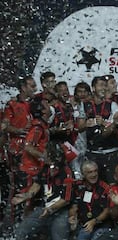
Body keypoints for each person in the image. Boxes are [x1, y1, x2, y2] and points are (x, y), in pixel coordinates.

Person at [13, 141, 73, 240]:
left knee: (59, 236)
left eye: (44, 153)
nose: (42, 155)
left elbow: (65, 200)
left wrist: (50, 210)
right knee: (21, 231)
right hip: (44, 208)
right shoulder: (46, 169)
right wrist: (27, 195)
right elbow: (37, 184)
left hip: (60, 211)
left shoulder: (66, 172)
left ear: (51, 156)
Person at [2, 76, 37, 224]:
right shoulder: (12, 104)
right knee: (18, 187)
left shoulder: (35, 104)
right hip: (17, 152)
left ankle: (29, 223)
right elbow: (4, 126)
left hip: (33, 151)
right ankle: (14, 225)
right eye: (32, 86)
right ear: (23, 87)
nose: (34, 89)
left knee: (33, 186)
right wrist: (19, 130)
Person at [80, 76, 118, 183]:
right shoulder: (84, 105)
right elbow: (79, 127)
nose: (104, 88)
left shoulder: (112, 105)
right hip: (92, 153)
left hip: (111, 153)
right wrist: (86, 124)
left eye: (105, 85)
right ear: (93, 88)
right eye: (101, 85)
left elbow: (117, 129)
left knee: (112, 184)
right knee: (93, 186)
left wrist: (104, 123)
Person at [69, 160, 110, 240]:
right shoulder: (78, 186)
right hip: (84, 225)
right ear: (83, 174)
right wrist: (72, 216)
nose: (94, 174)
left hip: (101, 225)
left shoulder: (104, 188)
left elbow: (107, 211)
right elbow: (74, 206)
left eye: (95, 171)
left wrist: (94, 222)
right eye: (90, 172)